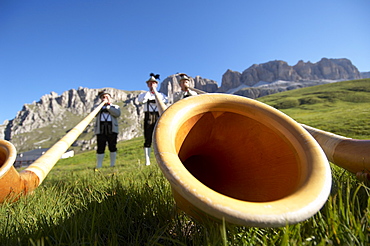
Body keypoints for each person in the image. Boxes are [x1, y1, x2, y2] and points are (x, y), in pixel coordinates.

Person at [138, 73, 168, 165]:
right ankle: (147, 161)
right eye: (150, 83)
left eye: (153, 83)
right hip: (148, 116)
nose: (152, 85)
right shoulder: (143, 95)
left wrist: (155, 93)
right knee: (148, 138)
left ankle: (163, 159)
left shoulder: (162, 95)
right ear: (147, 85)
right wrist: (149, 92)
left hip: (159, 115)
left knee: (161, 137)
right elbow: (141, 101)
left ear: (156, 84)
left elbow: (165, 102)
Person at [94, 90, 121, 168]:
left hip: (112, 128)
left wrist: (108, 107)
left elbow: (117, 114)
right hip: (101, 128)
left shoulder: (115, 107)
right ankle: (99, 165)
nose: (105, 98)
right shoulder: (97, 107)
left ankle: (112, 164)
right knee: (100, 147)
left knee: (112, 146)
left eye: (107, 97)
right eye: (103, 97)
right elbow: (94, 114)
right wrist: (102, 106)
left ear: (110, 98)